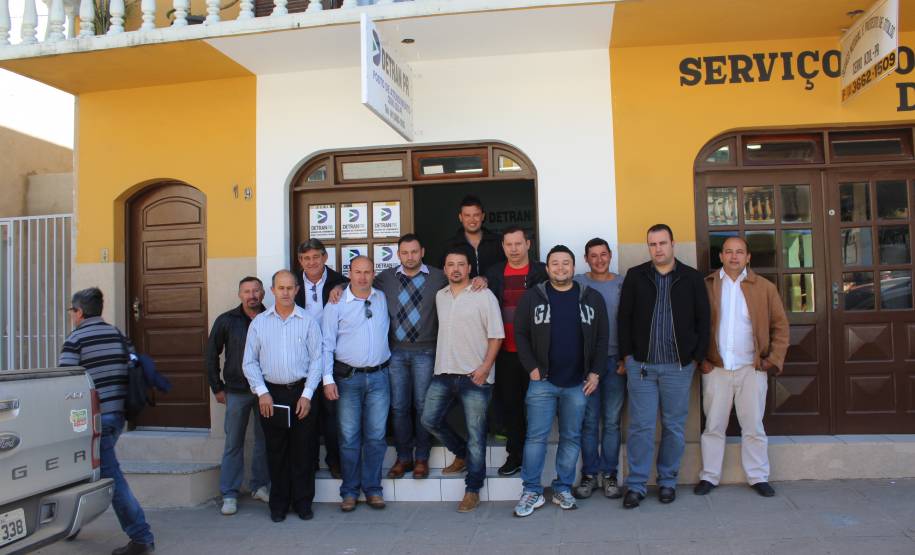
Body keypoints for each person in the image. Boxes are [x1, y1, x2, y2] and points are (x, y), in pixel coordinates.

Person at [512, 245, 609, 517]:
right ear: (547, 268)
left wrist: (595, 372)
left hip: (578, 383)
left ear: (574, 267)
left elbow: (602, 338)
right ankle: (531, 490)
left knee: (571, 437)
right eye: (555, 263)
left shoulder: (591, 298)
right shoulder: (533, 297)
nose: (560, 268)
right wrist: (531, 367)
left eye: (566, 263)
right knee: (536, 438)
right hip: (542, 382)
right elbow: (520, 333)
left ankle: (562, 487)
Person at [618, 224, 710, 508]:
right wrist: (627, 356)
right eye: (652, 244)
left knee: (674, 426)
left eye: (662, 243)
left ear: (673, 244)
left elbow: (704, 319)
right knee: (641, 427)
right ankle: (636, 485)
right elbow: (624, 318)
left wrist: (696, 357)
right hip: (642, 366)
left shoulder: (691, 278)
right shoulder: (636, 276)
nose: (657, 249)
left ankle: (668, 481)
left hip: (678, 367)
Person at [59, 287, 155, 555]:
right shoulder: (118, 335)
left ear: (79, 312)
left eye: (72, 311)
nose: (72, 315)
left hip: (92, 421)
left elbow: (66, 384)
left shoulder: (75, 340)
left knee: (111, 477)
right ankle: (71, 523)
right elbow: (132, 368)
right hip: (117, 416)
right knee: (84, 471)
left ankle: (141, 537)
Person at [695, 236, 788, 498]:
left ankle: (758, 476)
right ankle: (709, 476)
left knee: (753, 426)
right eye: (728, 252)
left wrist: (771, 359)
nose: (734, 256)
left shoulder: (765, 288)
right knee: (713, 426)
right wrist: (701, 360)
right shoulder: (707, 286)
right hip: (716, 369)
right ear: (721, 256)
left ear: (748, 257)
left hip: (751, 368)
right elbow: (694, 324)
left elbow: (780, 326)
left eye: (739, 252)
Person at [421, 245, 504, 513]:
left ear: (469, 268)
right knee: (429, 419)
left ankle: (473, 489)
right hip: (444, 372)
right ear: (444, 269)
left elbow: (496, 335)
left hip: (475, 376)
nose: (455, 269)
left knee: (477, 435)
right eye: (450, 265)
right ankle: (462, 454)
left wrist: (485, 368)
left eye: (460, 264)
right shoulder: (441, 296)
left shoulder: (484, 295)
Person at [242, 270, 323, 522]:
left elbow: (317, 360)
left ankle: (303, 503)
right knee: (276, 451)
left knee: (303, 451)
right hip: (271, 395)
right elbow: (249, 362)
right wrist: (262, 393)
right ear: (273, 290)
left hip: (301, 393)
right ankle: (278, 505)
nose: (286, 293)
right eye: (281, 288)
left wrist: (307, 395)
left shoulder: (308, 321)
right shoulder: (260, 323)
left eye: (290, 288)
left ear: (297, 290)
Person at [373, 234, 447, 480]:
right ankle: (404, 457)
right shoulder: (385, 278)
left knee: (423, 406)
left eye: (414, 252)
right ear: (398, 254)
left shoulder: (438, 276)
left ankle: (422, 458)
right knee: (399, 407)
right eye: (405, 253)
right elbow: (359, 284)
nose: (410, 257)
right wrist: (338, 289)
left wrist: (481, 279)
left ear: (422, 251)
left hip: (426, 351)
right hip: (395, 352)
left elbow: (462, 282)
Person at [321, 256, 392, 511]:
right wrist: (327, 379)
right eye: (358, 272)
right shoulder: (336, 303)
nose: (362, 277)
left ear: (374, 274)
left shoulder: (382, 298)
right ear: (349, 274)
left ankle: (373, 489)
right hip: (348, 379)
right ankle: (350, 491)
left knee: (376, 436)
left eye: (367, 272)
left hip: (379, 377)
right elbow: (326, 344)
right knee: (349, 438)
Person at [483, 225, 547, 476]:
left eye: (518, 243)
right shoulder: (494, 273)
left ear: (528, 244)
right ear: (502, 247)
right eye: (508, 244)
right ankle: (515, 455)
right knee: (512, 407)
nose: (513, 249)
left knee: (538, 407)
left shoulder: (542, 271)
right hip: (506, 352)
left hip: (536, 353)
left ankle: (535, 458)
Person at [207, 276, 271, 516]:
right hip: (236, 390)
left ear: (263, 293)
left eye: (256, 291)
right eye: (247, 291)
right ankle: (230, 493)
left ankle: (260, 486)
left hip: (265, 391)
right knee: (233, 442)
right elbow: (211, 354)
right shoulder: (226, 320)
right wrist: (217, 387)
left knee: (264, 441)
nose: (252, 295)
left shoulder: (271, 318)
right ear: (239, 295)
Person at [573, 238, 627, 500]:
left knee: (612, 421)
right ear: (586, 259)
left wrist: (626, 357)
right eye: (593, 256)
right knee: (589, 421)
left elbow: (631, 321)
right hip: (587, 364)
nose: (599, 260)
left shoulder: (622, 284)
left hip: (615, 361)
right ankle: (589, 474)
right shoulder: (577, 283)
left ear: (610, 255)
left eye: (603, 254)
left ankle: (609, 474)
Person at [294, 238, 347, 478]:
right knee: (305, 413)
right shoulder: (293, 283)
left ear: (325, 257)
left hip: (330, 357)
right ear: (300, 261)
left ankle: (334, 460)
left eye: (316, 257)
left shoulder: (340, 281)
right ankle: (310, 460)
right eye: (306, 258)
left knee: (331, 413)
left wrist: (343, 286)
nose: (312, 262)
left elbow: (359, 288)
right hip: (301, 357)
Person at [441, 195, 505, 278]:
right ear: (460, 217)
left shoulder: (498, 242)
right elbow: (443, 276)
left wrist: (487, 279)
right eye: (467, 215)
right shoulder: (449, 246)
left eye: (476, 215)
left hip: (493, 287)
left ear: (483, 216)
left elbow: (506, 269)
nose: (472, 220)